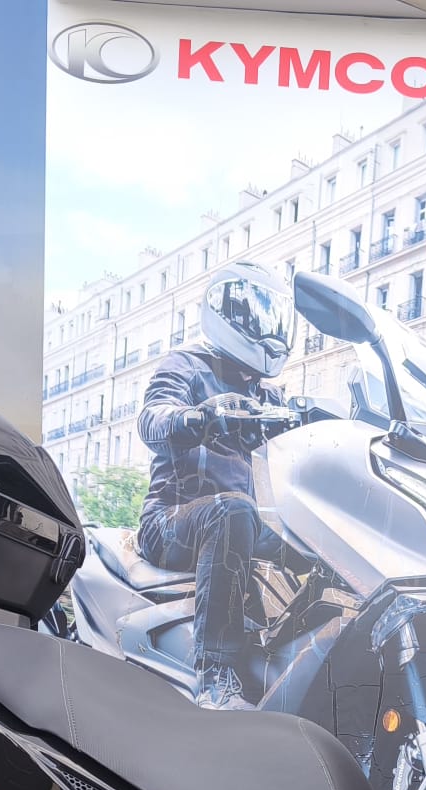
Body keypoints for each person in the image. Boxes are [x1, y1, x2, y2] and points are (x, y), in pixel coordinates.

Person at [136, 260, 296, 709]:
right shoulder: (187, 365)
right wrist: (198, 418)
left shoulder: (269, 395)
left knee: (314, 545)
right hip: (169, 521)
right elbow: (152, 418)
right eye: (260, 316)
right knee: (234, 510)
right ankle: (214, 673)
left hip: (240, 524)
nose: (270, 330)